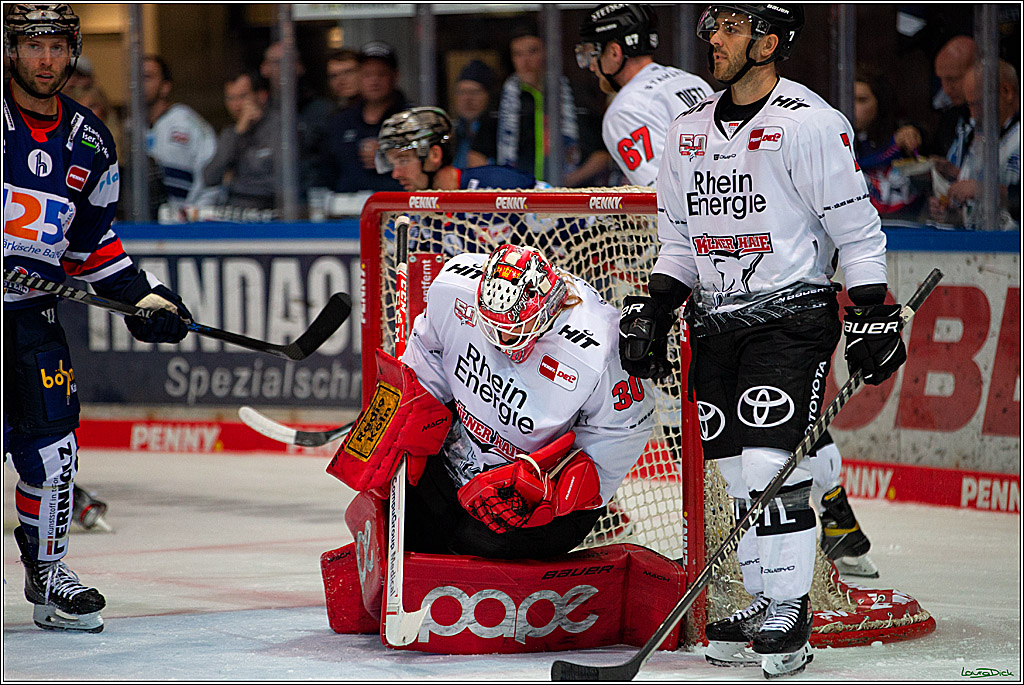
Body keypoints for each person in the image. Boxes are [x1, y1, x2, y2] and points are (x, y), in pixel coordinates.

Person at [619, 5, 907, 677]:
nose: (711, 39)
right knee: (732, 473)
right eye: (710, 26)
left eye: (729, 27)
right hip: (715, 323)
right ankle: (762, 599)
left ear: (769, 42)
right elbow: (678, 243)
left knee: (767, 468)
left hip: (792, 317)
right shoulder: (686, 131)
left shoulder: (809, 123)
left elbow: (858, 233)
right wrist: (658, 307)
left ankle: (790, 610)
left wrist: (870, 308)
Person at [4, 3, 192, 632]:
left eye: (56, 46)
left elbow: (90, 245)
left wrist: (144, 297)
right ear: (11, 50)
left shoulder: (89, 139)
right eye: (32, 46)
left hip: (31, 319)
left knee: (55, 451)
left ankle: (49, 577)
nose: (45, 59)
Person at [342, 243, 656, 559]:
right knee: (396, 514)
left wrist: (552, 492)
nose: (502, 340)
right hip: (457, 462)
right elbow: (428, 353)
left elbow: (624, 430)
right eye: (492, 326)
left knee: (479, 542)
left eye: (515, 329)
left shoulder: (600, 346)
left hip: (537, 491)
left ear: (547, 309)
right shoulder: (454, 286)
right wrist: (404, 417)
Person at [576, 3, 712, 187]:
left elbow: (659, 193)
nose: (591, 66)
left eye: (591, 54)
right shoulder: (692, 81)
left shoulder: (624, 110)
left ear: (615, 52)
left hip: (695, 211)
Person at [477, 24, 609, 186]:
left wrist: (568, 182)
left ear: (546, 53)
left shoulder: (574, 94)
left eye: (532, 51)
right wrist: (502, 184)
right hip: (516, 197)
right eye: (518, 54)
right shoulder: (501, 101)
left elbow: (602, 154)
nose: (526, 61)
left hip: (570, 196)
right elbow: (477, 154)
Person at [929, 60, 1021, 230]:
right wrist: (950, 207)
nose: (973, 114)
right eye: (969, 105)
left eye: (977, 104)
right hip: (978, 246)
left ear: (1007, 92)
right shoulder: (979, 136)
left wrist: (984, 190)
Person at [376, 106, 535, 192]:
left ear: (434, 155)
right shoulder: (418, 216)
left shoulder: (499, 186)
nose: (396, 174)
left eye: (403, 160)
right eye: (393, 163)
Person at [324, 40, 407, 193]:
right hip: (346, 210)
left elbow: (423, 168)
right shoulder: (341, 121)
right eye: (367, 74)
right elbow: (327, 170)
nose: (374, 81)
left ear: (395, 76)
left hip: (397, 207)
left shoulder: (411, 119)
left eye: (381, 74)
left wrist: (391, 158)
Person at [143, 54, 216, 211]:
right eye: (135, 77)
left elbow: (212, 176)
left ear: (165, 86)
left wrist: (193, 216)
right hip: (148, 226)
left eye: (147, 77)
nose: (139, 83)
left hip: (185, 227)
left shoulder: (187, 122)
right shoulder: (131, 127)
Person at [853, 66, 926, 218]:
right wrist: (893, 147)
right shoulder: (838, 140)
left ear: (880, 102)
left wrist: (907, 141)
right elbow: (857, 165)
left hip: (906, 224)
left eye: (862, 100)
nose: (854, 108)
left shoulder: (902, 133)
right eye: (851, 99)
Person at [202, 70, 280, 210]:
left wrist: (237, 183)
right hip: (234, 209)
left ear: (261, 96)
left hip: (269, 210)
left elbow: (283, 183)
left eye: (243, 96)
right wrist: (238, 133)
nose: (236, 105)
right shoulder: (231, 133)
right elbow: (210, 177)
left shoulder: (280, 128)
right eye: (230, 98)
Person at [930, 36, 976, 177]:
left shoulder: (999, 121)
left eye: (952, 79)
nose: (946, 89)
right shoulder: (950, 117)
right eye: (941, 79)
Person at [450, 59, 498, 169]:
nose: (467, 99)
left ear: (488, 96)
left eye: (475, 92)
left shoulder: (498, 133)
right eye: (462, 92)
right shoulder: (451, 134)